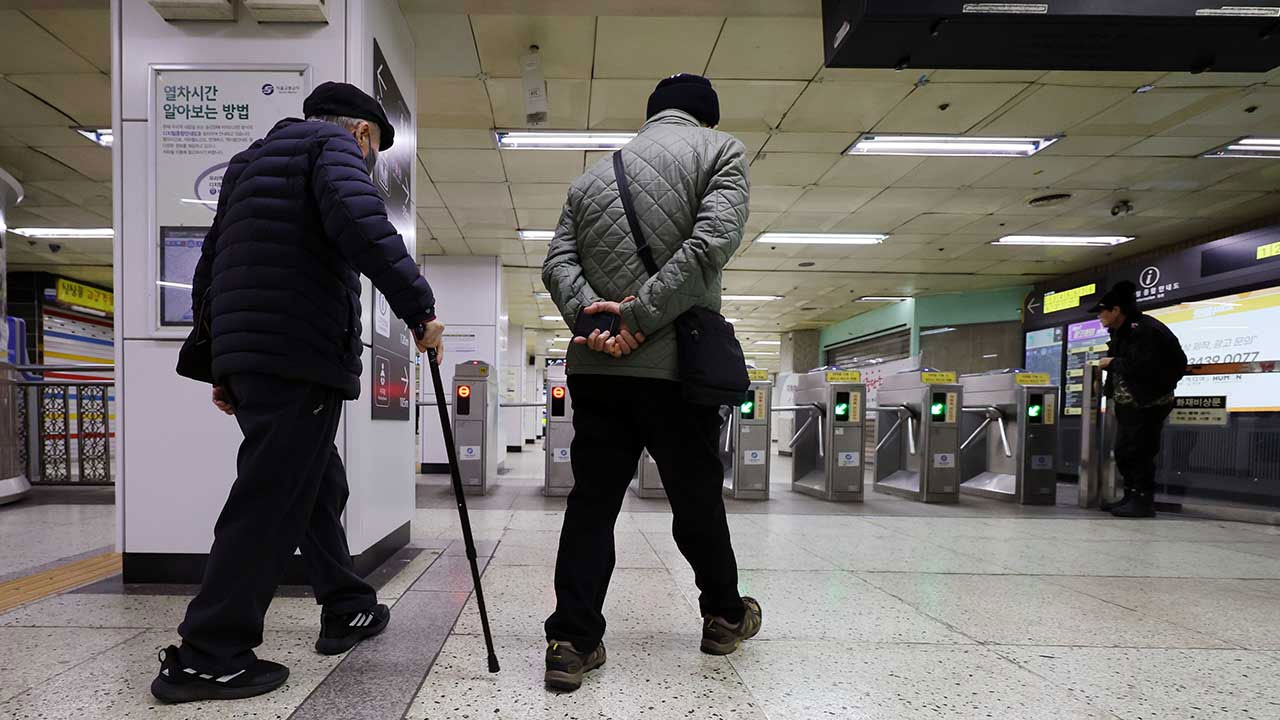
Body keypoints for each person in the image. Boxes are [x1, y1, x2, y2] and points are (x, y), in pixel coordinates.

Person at [151, 82, 445, 704]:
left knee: (316, 485)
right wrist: (420, 310)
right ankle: (209, 654)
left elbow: (211, 265)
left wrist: (220, 363)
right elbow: (366, 229)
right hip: (297, 352)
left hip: (256, 356)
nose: (369, 160)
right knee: (270, 499)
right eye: (373, 149)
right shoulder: (331, 149)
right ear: (361, 133)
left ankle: (346, 605)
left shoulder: (248, 164)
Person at [541, 73, 761, 693]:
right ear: (706, 119)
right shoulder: (721, 152)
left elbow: (556, 263)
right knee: (695, 500)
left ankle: (571, 641)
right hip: (677, 372)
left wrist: (598, 322)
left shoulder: (591, 177)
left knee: (592, 504)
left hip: (597, 371)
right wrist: (637, 319)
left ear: (652, 116)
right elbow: (711, 243)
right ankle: (724, 616)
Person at [1090, 281, 1186, 518]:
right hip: (1129, 403)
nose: (1099, 316)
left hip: (1148, 402)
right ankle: (1130, 496)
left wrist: (1111, 363)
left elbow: (1143, 365)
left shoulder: (1145, 330)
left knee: (1140, 451)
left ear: (1116, 310)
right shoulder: (1122, 331)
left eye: (1102, 311)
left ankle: (1143, 501)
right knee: (1124, 451)